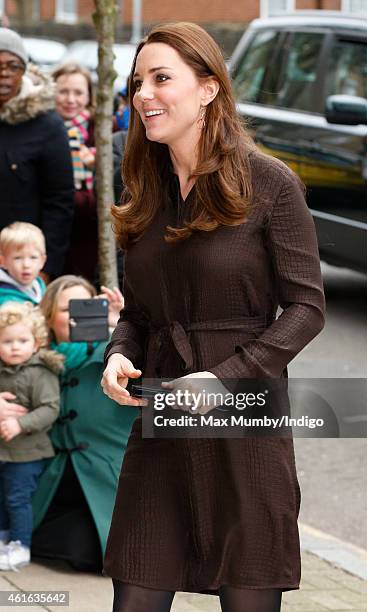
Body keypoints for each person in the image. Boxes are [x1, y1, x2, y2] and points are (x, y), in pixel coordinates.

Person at [101, 22, 325, 612]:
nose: (143, 95)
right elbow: (142, 312)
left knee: (248, 595)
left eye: (161, 78)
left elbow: (307, 308)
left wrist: (225, 379)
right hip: (164, 413)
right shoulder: (144, 189)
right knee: (135, 592)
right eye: (137, 83)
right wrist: (119, 351)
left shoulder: (271, 184)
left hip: (245, 420)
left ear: (208, 89)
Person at [31, 276, 138, 572]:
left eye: (86, 307)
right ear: (49, 317)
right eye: (68, 309)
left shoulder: (119, 357)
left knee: (83, 548)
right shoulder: (29, 360)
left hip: (107, 487)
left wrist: (124, 330)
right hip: (52, 485)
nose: (79, 317)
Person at [0, 28, 74, 281]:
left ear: (25, 70)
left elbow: (60, 201)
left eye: (13, 65)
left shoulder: (46, 124)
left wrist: (45, 269)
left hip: (23, 268)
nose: (4, 73)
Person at [0, 302, 62, 571]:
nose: (15, 347)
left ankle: (21, 545)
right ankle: (3, 539)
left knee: (17, 498)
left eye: (22, 340)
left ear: (36, 343)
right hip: (3, 450)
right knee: (2, 496)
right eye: (7, 341)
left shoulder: (40, 373)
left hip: (27, 452)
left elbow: (50, 409)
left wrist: (20, 424)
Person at [52, 63, 98, 283]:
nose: (71, 100)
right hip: (53, 226)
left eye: (78, 93)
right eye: (63, 92)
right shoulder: (42, 129)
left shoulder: (101, 131)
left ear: (89, 96)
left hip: (89, 229)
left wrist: (96, 164)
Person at [0, 222, 47, 306]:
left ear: (42, 261)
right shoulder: (5, 300)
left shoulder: (40, 286)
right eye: (18, 258)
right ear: (2, 262)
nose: (26, 265)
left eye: (33, 257)